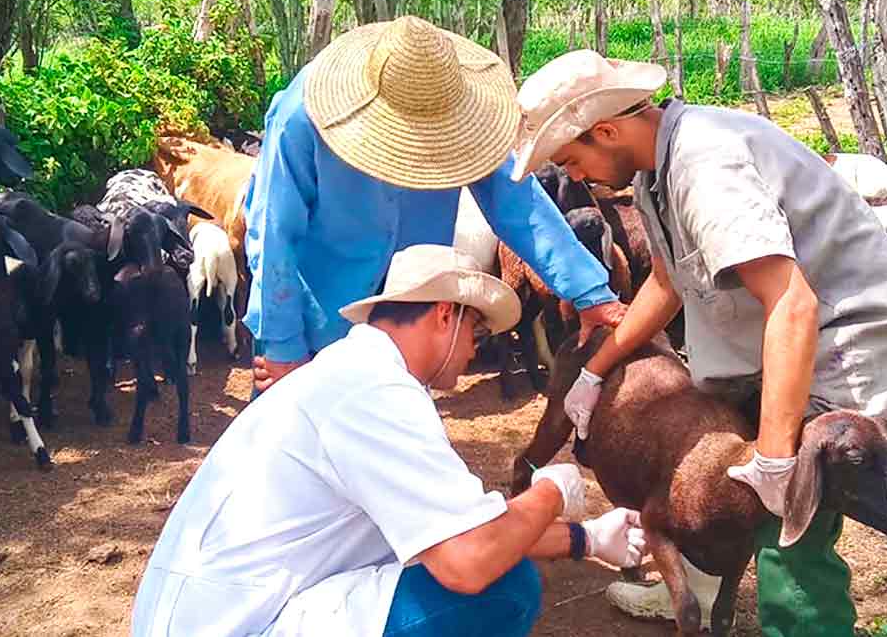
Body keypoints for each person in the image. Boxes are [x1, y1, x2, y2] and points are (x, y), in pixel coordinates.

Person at [510, 50, 887, 636]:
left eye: (572, 159)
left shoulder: (705, 167)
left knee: (791, 516)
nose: (573, 177)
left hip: (837, 332)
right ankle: (697, 598)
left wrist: (777, 460)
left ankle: (803, 624)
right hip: (775, 329)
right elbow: (665, 281)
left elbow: (793, 303)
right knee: (728, 475)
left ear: (606, 131)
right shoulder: (655, 172)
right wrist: (595, 370)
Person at [131, 244, 647, 637]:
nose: (473, 351)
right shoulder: (375, 392)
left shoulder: (356, 373)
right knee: (503, 591)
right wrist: (554, 490)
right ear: (446, 315)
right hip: (238, 623)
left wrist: (588, 539)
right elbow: (470, 559)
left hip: (214, 613)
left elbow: (460, 528)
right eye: (477, 333)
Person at [242, 16, 625, 392]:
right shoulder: (303, 114)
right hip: (315, 328)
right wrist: (283, 348)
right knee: (301, 445)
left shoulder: (466, 113)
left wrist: (590, 292)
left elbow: (519, 202)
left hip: (411, 328)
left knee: (396, 439)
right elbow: (273, 232)